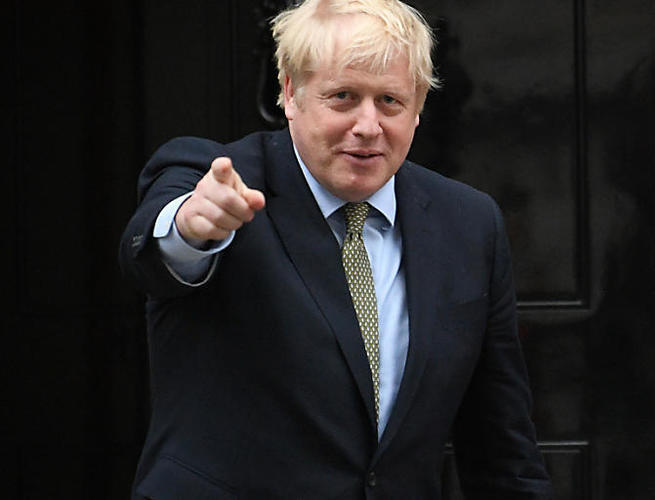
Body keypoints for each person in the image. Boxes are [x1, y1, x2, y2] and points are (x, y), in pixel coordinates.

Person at [118, 0, 552, 497]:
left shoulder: (470, 224)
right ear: (290, 93)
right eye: (343, 96)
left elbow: (500, 442)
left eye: (390, 101)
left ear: (418, 109)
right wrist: (193, 228)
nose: (368, 126)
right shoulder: (214, 178)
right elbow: (153, 255)